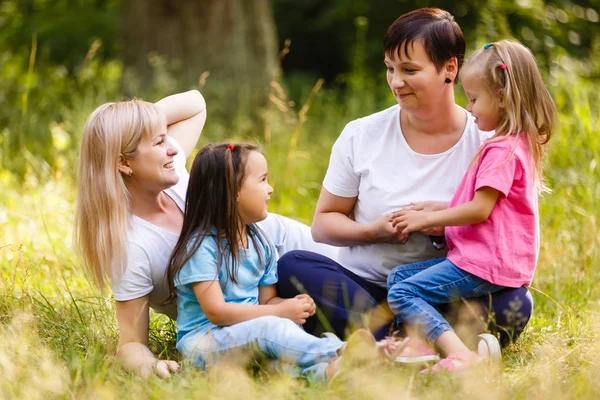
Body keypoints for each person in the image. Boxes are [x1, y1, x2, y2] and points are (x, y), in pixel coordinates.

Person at [276, 8, 534, 356]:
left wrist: (440, 223)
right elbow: (323, 225)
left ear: (450, 69)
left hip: (444, 289)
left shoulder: (489, 139)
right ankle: (424, 342)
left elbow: (502, 226)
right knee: (294, 266)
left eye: (410, 70)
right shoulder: (362, 135)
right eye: (390, 69)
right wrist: (375, 231)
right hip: (365, 287)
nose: (396, 81)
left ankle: (389, 342)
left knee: (516, 301)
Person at [74, 91, 339, 379]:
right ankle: (344, 358)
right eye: (159, 142)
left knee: (361, 270)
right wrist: (149, 366)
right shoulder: (132, 247)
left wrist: (140, 123)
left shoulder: (170, 176)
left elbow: (195, 103)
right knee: (291, 334)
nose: (173, 150)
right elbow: (131, 343)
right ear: (124, 163)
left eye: (167, 138)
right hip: (242, 318)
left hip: (279, 246)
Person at [387, 39, 556, 372]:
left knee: (402, 293)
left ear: (503, 98)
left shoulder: (501, 151)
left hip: (484, 261)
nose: (470, 107)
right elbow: (484, 204)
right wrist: (436, 209)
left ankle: (461, 355)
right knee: (397, 277)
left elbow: (480, 209)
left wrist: (426, 220)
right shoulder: (512, 144)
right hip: (484, 258)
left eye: (475, 99)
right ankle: (424, 343)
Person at [166, 142, 393, 382]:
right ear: (232, 192)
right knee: (271, 328)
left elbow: (267, 300)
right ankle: (340, 350)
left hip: (249, 335)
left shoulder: (260, 242)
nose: (270, 189)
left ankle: (331, 373)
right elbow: (217, 312)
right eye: (262, 180)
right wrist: (277, 312)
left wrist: (291, 305)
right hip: (205, 343)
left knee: (279, 358)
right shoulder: (202, 247)